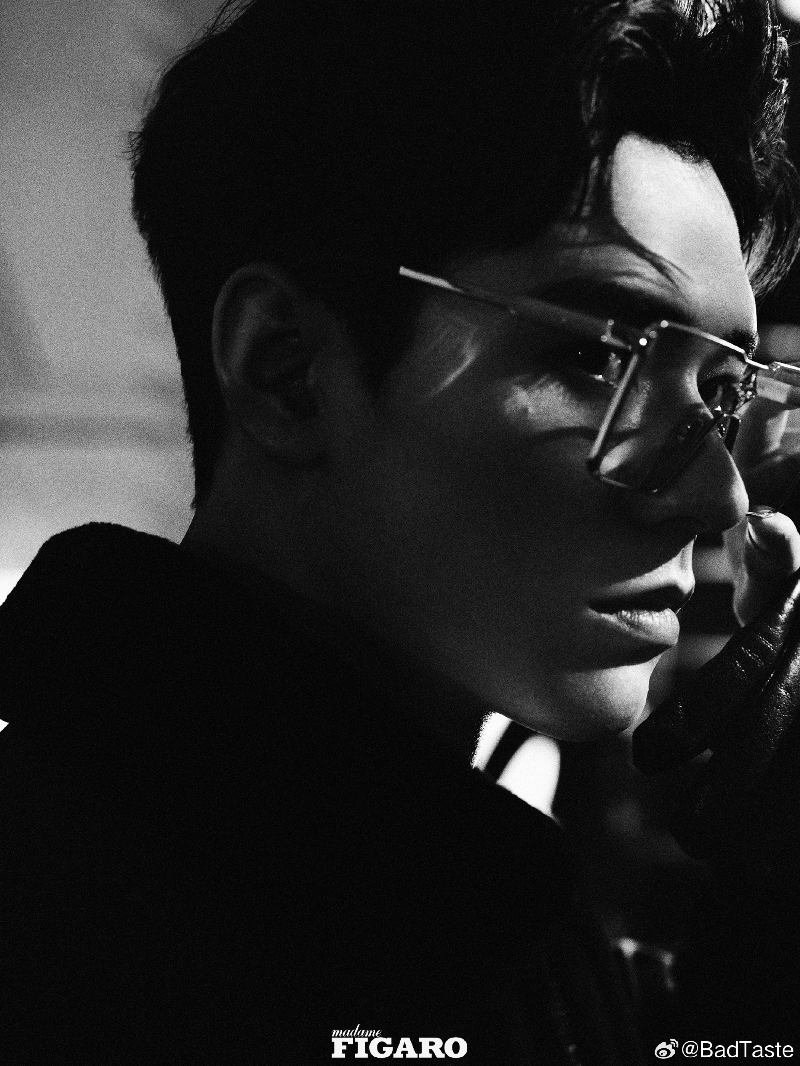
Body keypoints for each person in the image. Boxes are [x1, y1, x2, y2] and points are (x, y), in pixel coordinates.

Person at [3, 0, 800, 1062]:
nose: (718, 496)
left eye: (724, 394)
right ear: (288, 371)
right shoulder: (67, 934)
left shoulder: (479, 911)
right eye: (604, 357)